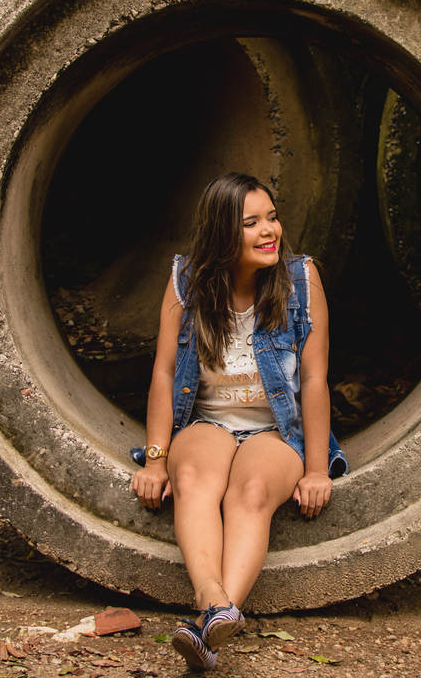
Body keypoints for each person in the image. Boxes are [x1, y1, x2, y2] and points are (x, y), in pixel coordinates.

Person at [130, 172, 349, 671]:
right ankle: (216, 604)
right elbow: (164, 373)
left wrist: (316, 470)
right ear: (222, 233)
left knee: (249, 493)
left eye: (271, 217)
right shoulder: (186, 280)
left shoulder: (301, 279)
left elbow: (315, 379)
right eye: (251, 223)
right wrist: (157, 458)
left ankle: (208, 622)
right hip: (205, 421)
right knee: (191, 478)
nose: (269, 230)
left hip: (275, 428)